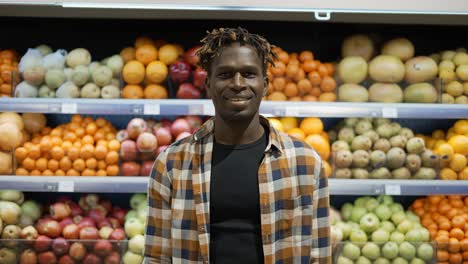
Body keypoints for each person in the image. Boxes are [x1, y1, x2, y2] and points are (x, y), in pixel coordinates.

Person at [144, 27, 331, 264]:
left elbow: (319, 255)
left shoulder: (305, 161)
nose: (238, 83)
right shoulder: (171, 164)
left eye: (249, 74)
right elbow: (156, 257)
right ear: (208, 85)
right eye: (225, 75)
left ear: (265, 84)